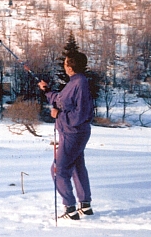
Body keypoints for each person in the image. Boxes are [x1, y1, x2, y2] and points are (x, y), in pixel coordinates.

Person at [38, 51, 94, 220]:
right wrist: (47, 91)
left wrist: (58, 115)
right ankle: (85, 206)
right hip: (71, 132)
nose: (64, 65)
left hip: (73, 133)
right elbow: (61, 99)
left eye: (65, 63)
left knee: (58, 170)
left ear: (70, 66)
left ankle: (70, 209)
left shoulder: (80, 83)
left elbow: (80, 113)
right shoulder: (75, 82)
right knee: (76, 166)